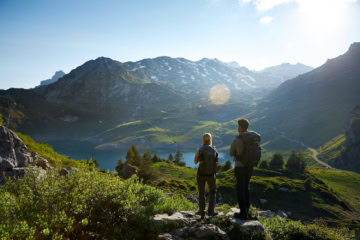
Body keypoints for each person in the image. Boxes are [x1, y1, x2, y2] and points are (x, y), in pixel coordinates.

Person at [230, 119, 261, 220]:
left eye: (238, 126)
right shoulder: (252, 138)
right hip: (250, 167)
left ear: (240, 127)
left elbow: (231, 153)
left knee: (240, 189)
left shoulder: (237, 139)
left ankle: (243, 213)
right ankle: (247, 210)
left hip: (240, 167)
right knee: (246, 187)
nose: (237, 127)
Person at [194, 133, 219, 219]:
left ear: (203, 139)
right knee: (212, 192)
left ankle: (201, 211)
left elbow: (195, 162)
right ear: (210, 140)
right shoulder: (214, 149)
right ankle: (211, 211)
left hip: (201, 174)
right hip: (211, 174)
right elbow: (216, 162)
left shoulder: (200, 149)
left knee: (202, 192)